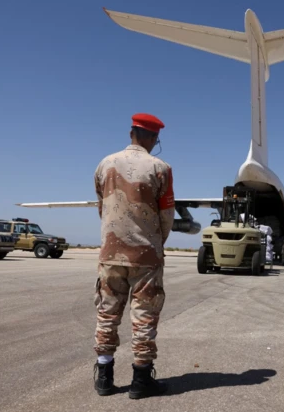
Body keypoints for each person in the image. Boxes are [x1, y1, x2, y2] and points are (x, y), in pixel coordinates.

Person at [92, 113, 175, 399]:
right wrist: (155, 243)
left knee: (107, 314)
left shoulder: (105, 163)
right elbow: (166, 216)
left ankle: (104, 376)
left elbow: (102, 207)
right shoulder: (160, 168)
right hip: (146, 256)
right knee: (144, 318)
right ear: (153, 138)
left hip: (110, 254)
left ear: (131, 134)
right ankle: (141, 380)